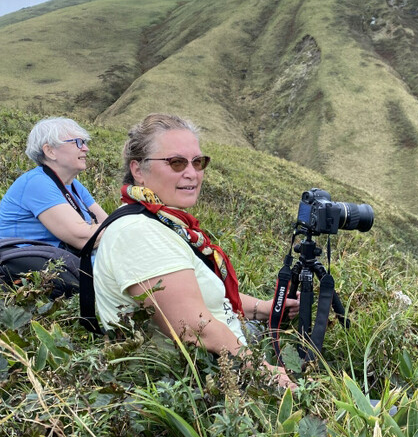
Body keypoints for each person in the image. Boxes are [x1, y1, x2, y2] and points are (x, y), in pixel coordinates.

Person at [92, 113, 299, 389]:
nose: (191, 173)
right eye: (176, 163)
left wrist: (266, 309)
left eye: (197, 162)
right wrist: (267, 373)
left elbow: (204, 297)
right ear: (138, 170)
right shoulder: (140, 233)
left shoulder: (162, 221)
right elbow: (192, 327)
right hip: (199, 385)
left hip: (222, 361)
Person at [0, 117, 108, 295]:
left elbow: (109, 223)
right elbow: (84, 238)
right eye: (78, 142)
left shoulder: (73, 185)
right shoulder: (37, 183)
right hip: (39, 268)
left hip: (64, 262)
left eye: (85, 142)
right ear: (50, 151)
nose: (85, 148)